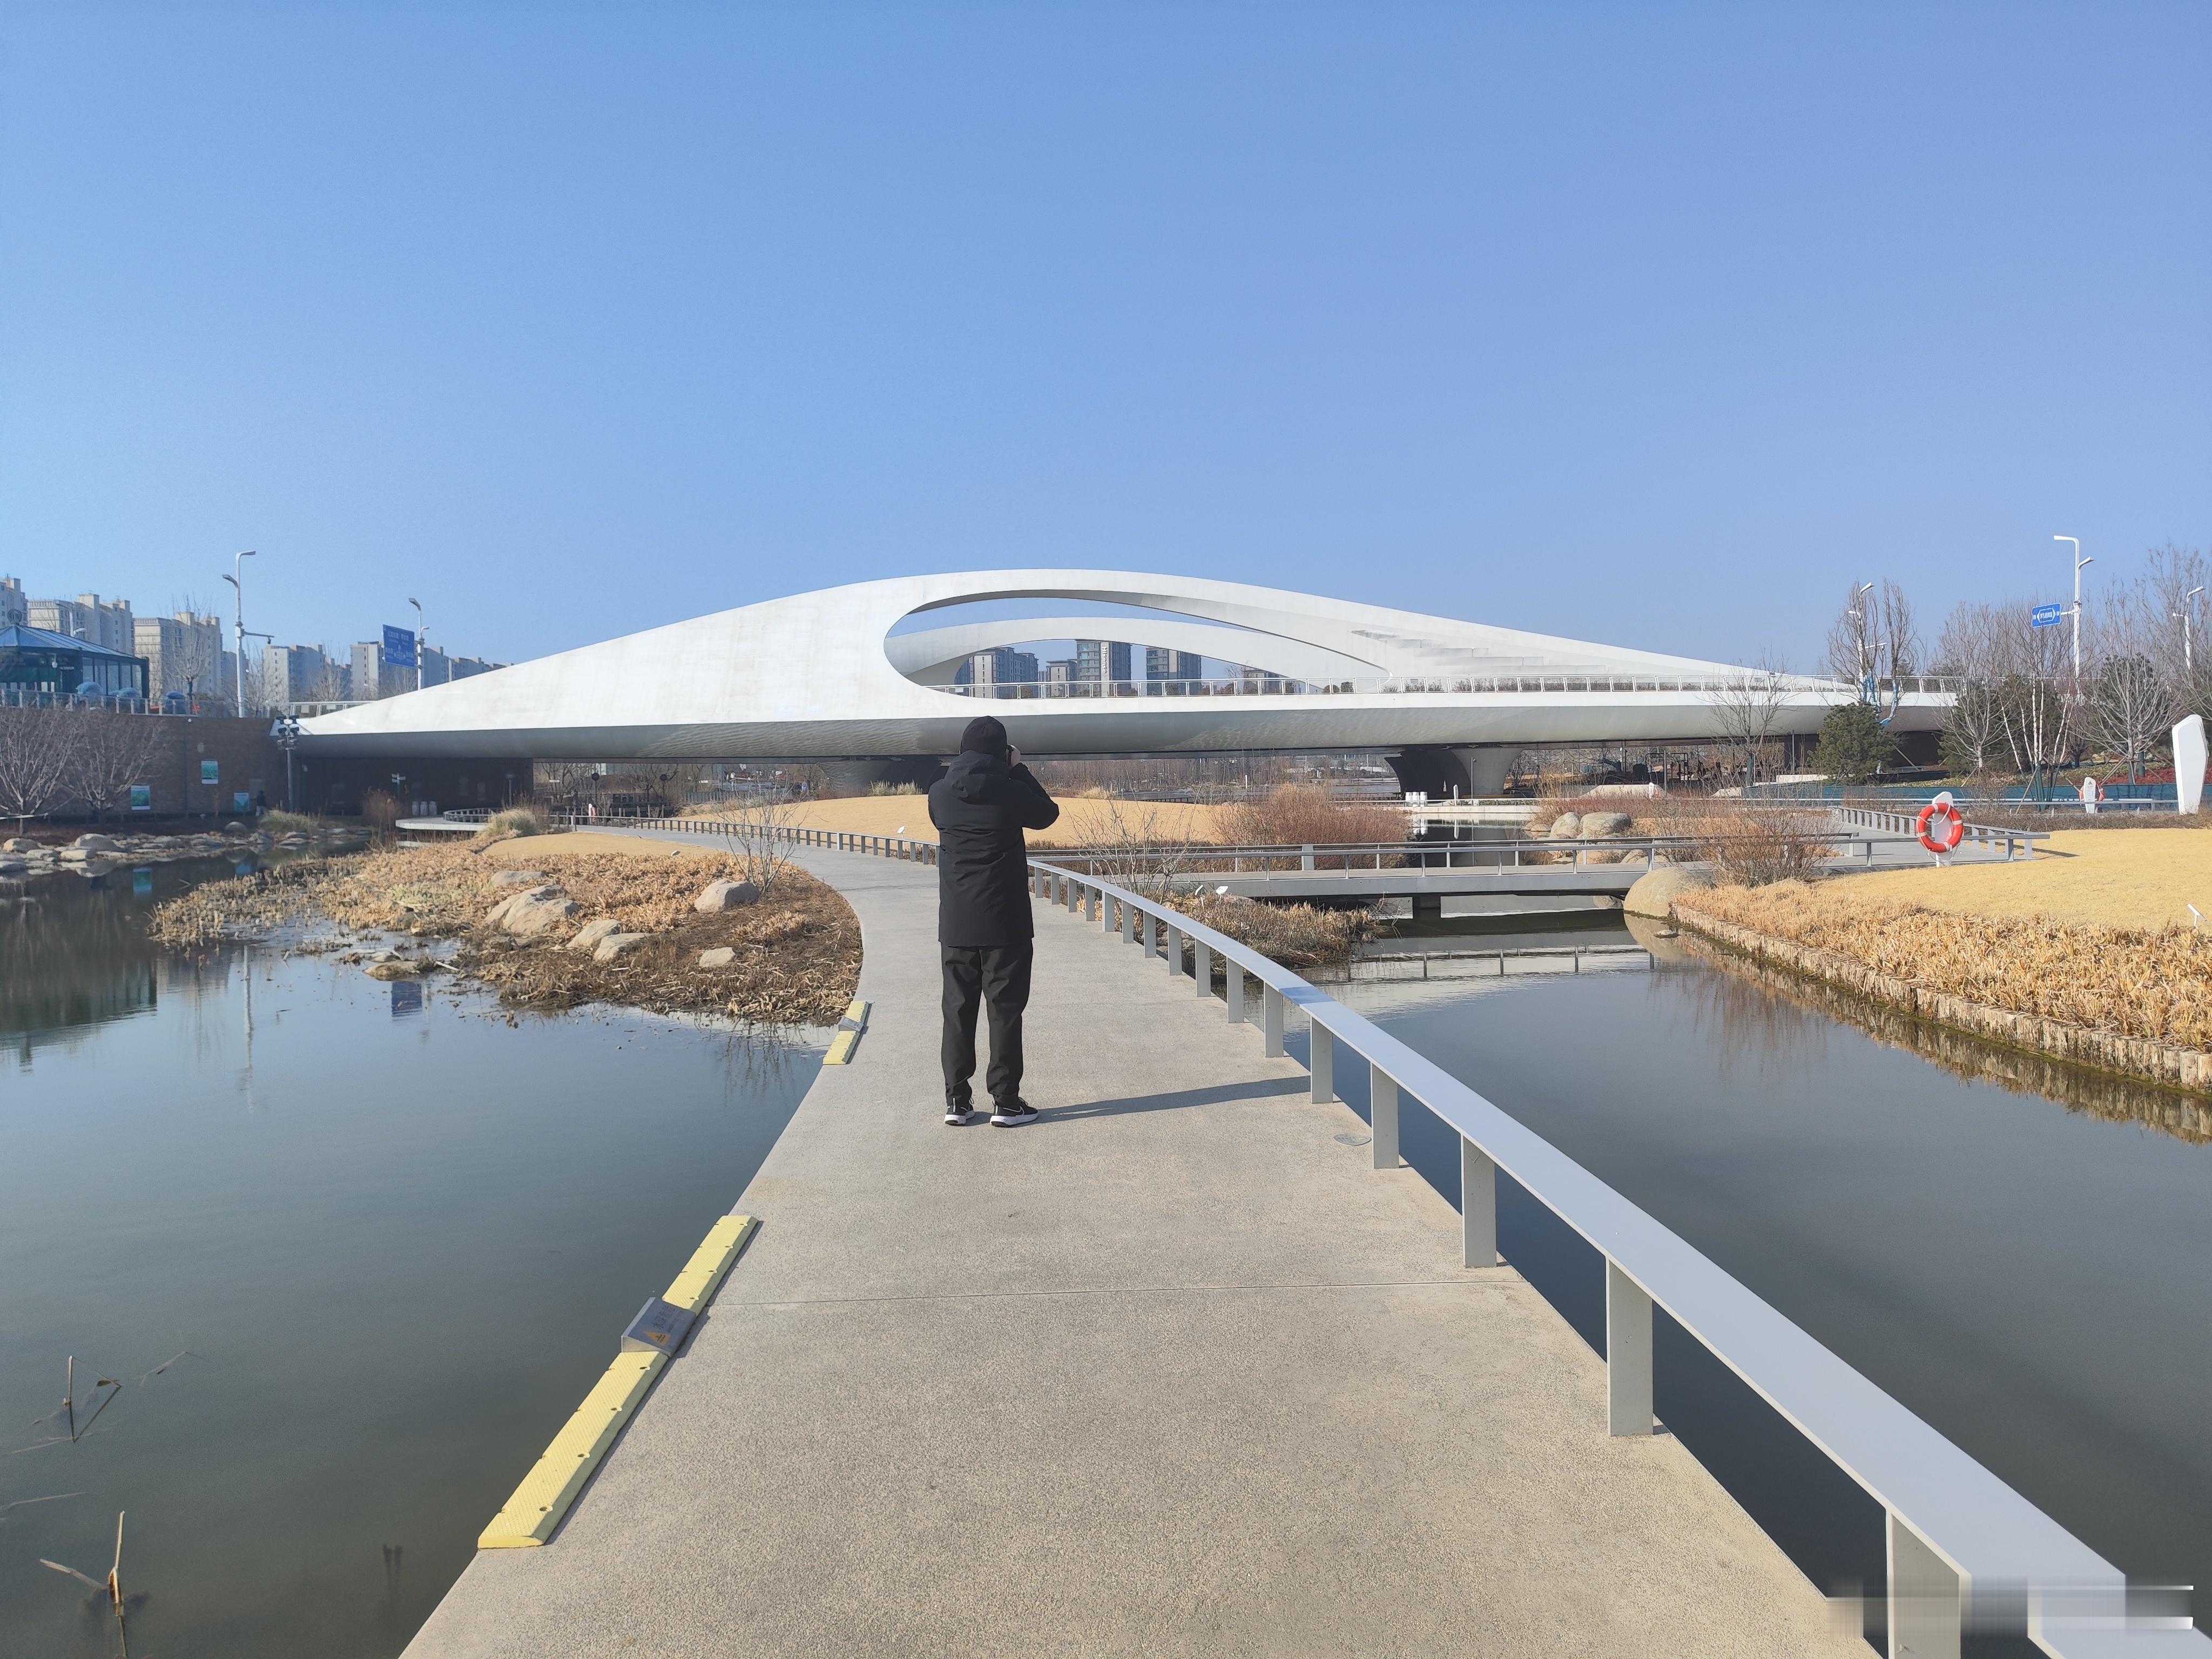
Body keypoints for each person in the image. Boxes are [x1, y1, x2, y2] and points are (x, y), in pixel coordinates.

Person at [928, 714, 1060, 1127]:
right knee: (1004, 1011)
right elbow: (1048, 813)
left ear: (962, 750)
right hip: (1006, 922)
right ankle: (1006, 1102)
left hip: (957, 924)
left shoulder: (939, 793)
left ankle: (957, 1102)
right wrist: (1018, 769)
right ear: (1003, 753)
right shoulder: (1011, 790)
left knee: (957, 1010)